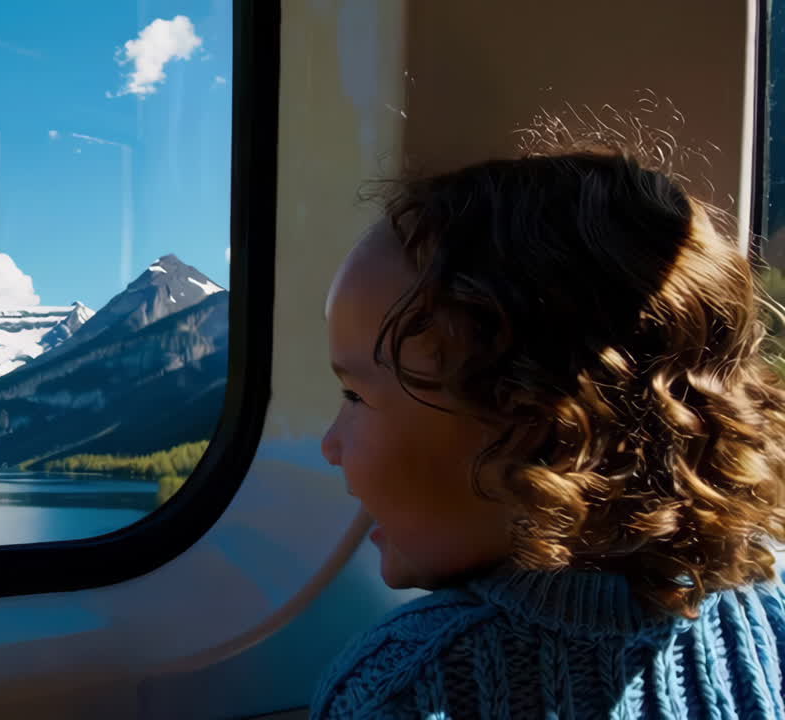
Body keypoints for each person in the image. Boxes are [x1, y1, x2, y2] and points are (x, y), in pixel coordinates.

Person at [312, 138, 785, 718]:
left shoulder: (406, 683)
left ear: (540, 430)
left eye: (354, 396)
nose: (330, 445)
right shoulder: (769, 614)